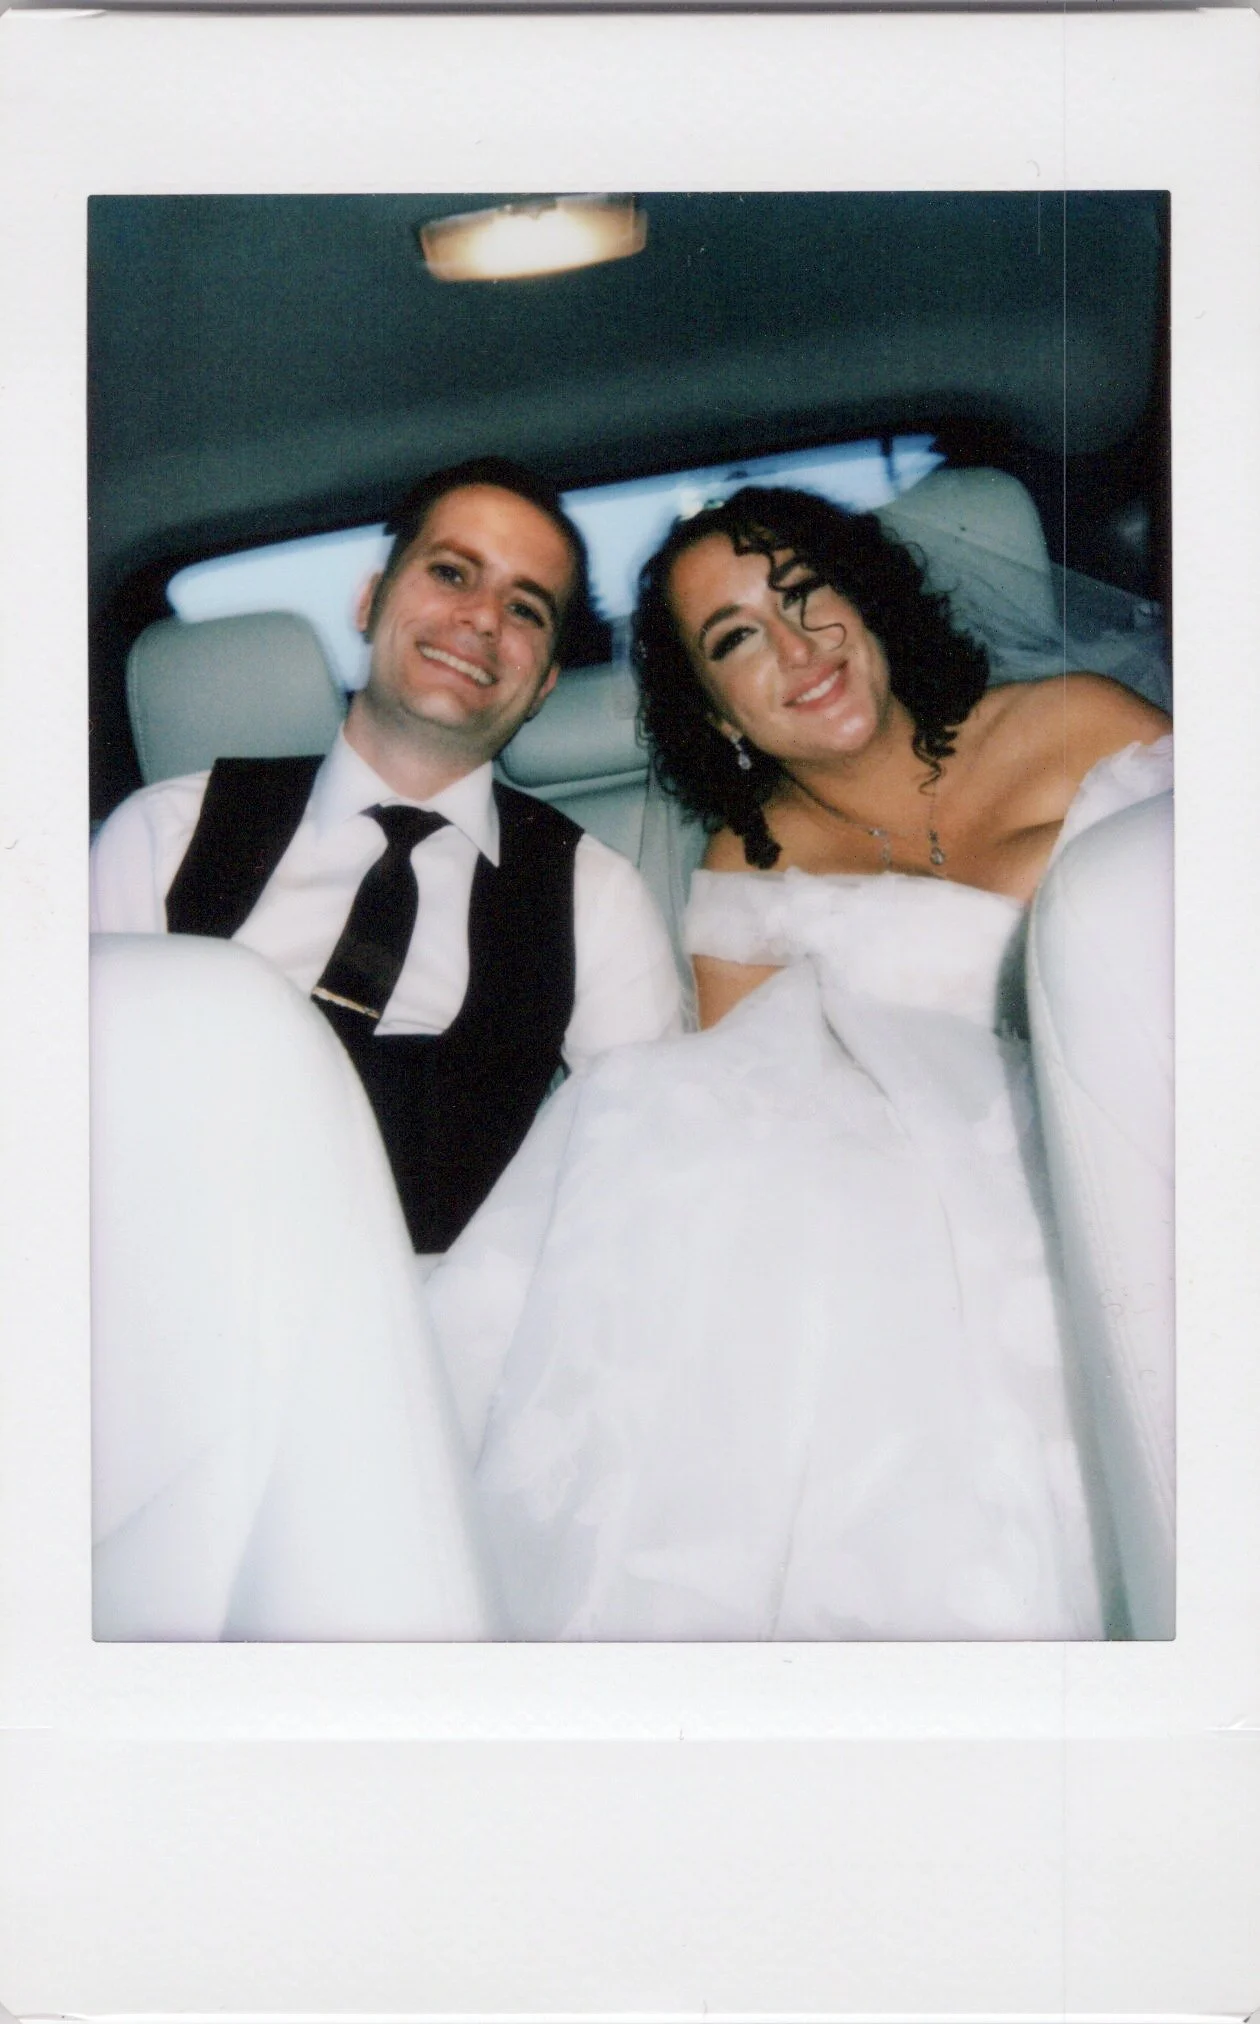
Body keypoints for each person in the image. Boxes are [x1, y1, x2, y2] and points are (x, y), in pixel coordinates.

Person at [425, 484, 1172, 1642]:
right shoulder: (747, 871)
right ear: (716, 707)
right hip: (934, 1253)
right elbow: (749, 1126)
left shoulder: (1083, 720)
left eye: (804, 593)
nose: (796, 645)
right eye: (736, 639)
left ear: (864, 602)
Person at [90, 457, 682, 1252]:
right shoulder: (163, 834)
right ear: (369, 602)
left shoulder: (594, 897)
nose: (481, 620)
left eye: (526, 609)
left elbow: (644, 1177)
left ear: (542, 683)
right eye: (450, 572)